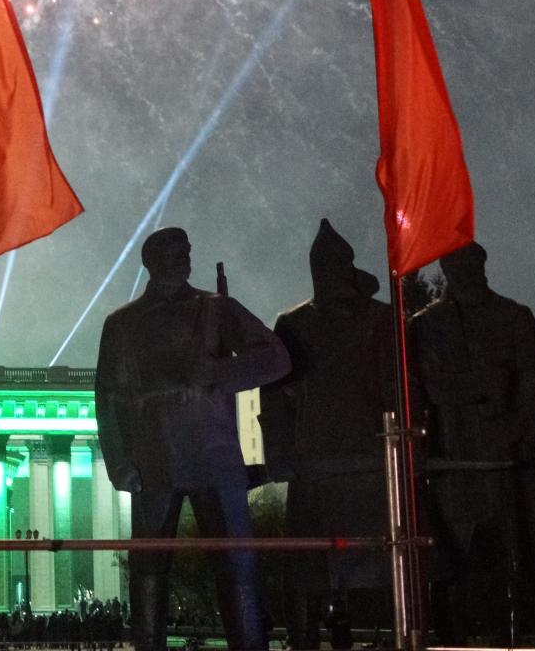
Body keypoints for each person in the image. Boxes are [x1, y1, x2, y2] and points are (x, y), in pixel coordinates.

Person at [96, 226, 291, 650]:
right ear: (151, 262)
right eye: (174, 251)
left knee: (237, 565)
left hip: (214, 456)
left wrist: (221, 373)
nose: (184, 257)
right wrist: (119, 463)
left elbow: (277, 358)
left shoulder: (215, 308)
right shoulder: (121, 324)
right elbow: (108, 399)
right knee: (148, 570)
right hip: (154, 460)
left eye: (186, 250)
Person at [411, 242, 535, 643]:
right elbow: (424, 389)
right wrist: (481, 384)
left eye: (472, 264)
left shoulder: (513, 316)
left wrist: (513, 430)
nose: (467, 272)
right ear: (447, 269)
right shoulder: (426, 325)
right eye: (458, 265)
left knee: (533, 560)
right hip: (452, 466)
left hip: (512, 463)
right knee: (450, 568)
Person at [259, 219, 398, 648]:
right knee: (307, 569)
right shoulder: (293, 324)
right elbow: (275, 397)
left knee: (385, 561)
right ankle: (304, 639)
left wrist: (403, 448)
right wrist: (280, 456)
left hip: (371, 463)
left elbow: (399, 386)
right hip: (315, 465)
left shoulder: (380, 319)